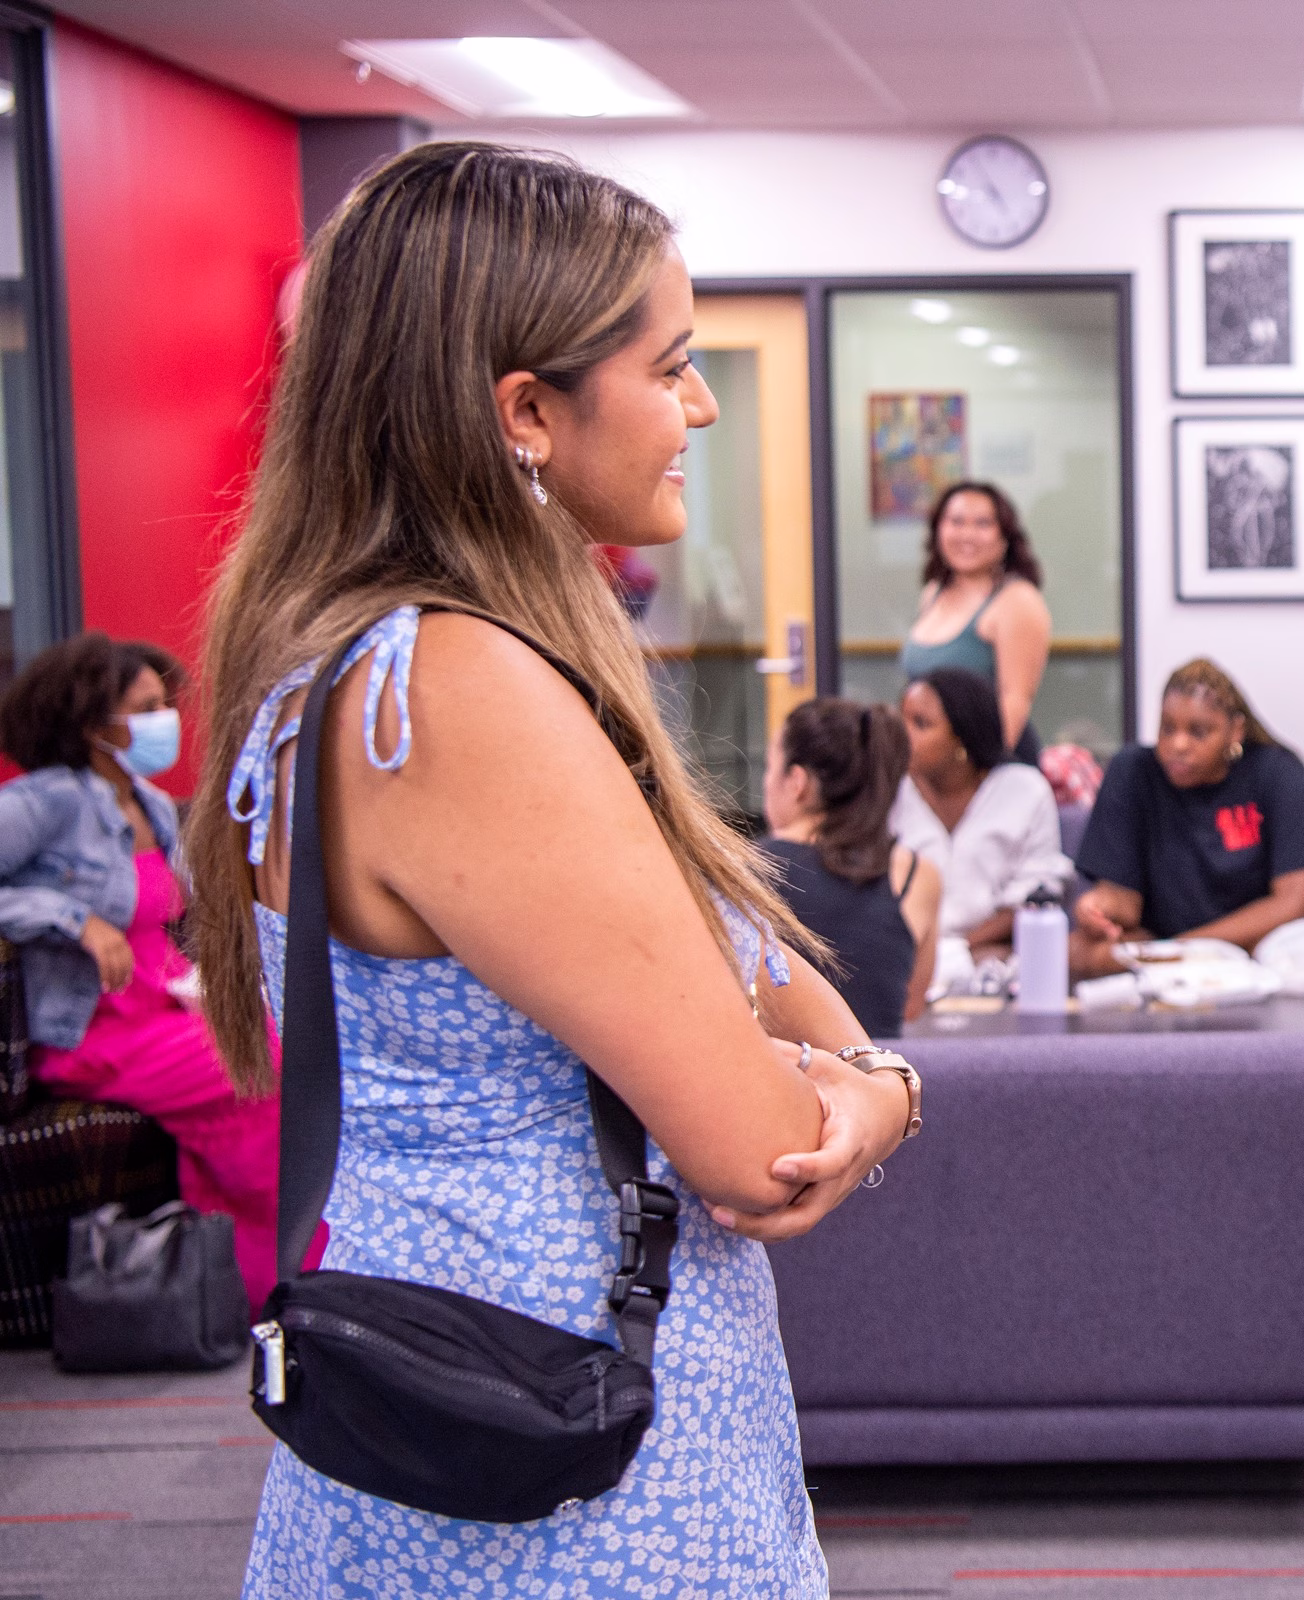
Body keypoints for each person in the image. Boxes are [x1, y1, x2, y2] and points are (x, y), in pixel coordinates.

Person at [186, 143, 917, 1597]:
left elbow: (779, 988)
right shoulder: (454, 691)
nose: (701, 406)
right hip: (552, 1432)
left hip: (456, 1390)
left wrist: (859, 1076)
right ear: (526, 412)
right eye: (675, 365)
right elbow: (762, 1148)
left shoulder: (362, 657)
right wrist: (886, 1091)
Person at [0, 634, 285, 1312]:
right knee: (259, 1065)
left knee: (275, 1039)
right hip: (93, 1035)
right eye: (146, 708)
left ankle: (246, 1283)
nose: (167, 721)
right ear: (93, 724)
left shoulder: (154, 804)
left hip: (164, 1011)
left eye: (165, 704)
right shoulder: (44, 802)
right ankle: (282, 1273)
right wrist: (75, 921)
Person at [1070, 659, 1304, 979]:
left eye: (1198, 732)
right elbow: (1123, 905)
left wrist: (1188, 947)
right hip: (1159, 949)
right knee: (1076, 951)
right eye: (1168, 729)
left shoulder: (1276, 772)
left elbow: (1297, 901)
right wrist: (1097, 908)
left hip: (1252, 950)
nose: (1178, 745)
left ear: (1235, 730)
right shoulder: (1133, 771)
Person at [761, 699, 941, 1036]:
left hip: (782, 1078)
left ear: (797, 782)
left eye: (770, 768)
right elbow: (910, 1005)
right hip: (876, 1080)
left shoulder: (745, 867)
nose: (767, 784)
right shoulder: (917, 875)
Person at [889, 666, 1070, 954]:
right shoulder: (888, 790)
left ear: (962, 738)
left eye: (920, 724)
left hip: (991, 950)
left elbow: (1034, 897)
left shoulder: (1025, 791)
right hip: (904, 953)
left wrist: (958, 949)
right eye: (902, 720)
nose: (902, 734)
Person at [899, 480, 1051, 759]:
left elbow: (1015, 700)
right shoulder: (933, 593)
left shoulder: (1017, 600)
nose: (967, 535)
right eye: (956, 522)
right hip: (932, 764)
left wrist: (976, 776)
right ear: (938, 530)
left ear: (1004, 537)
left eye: (982, 524)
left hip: (987, 768)